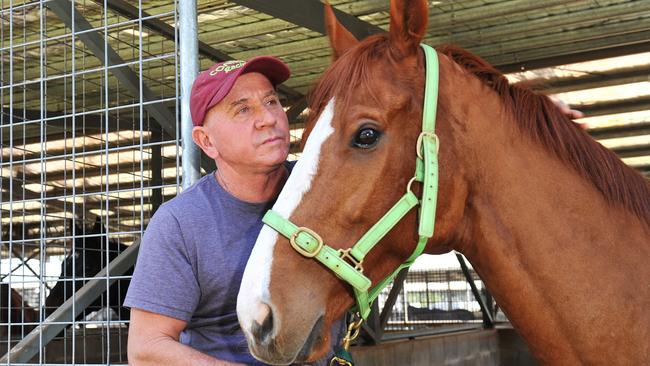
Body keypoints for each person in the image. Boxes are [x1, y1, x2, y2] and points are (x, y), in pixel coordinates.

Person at [124, 56, 340, 365]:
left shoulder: (321, 187)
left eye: (271, 101)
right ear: (207, 141)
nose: (268, 118)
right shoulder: (181, 223)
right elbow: (146, 349)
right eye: (243, 109)